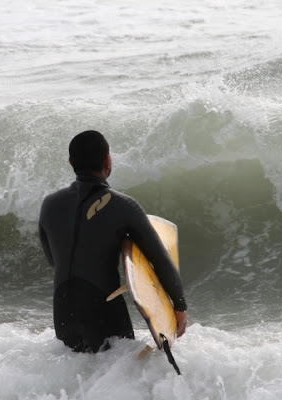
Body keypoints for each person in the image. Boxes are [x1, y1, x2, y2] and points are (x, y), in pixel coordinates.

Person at [38, 130, 187, 353]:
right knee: (118, 380)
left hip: (62, 309)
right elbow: (160, 259)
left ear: (71, 162)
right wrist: (179, 306)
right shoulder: (124, 206)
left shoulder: (49, 204)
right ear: (108, 159)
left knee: (76, 381)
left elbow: (53, 259)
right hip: (102, 308)